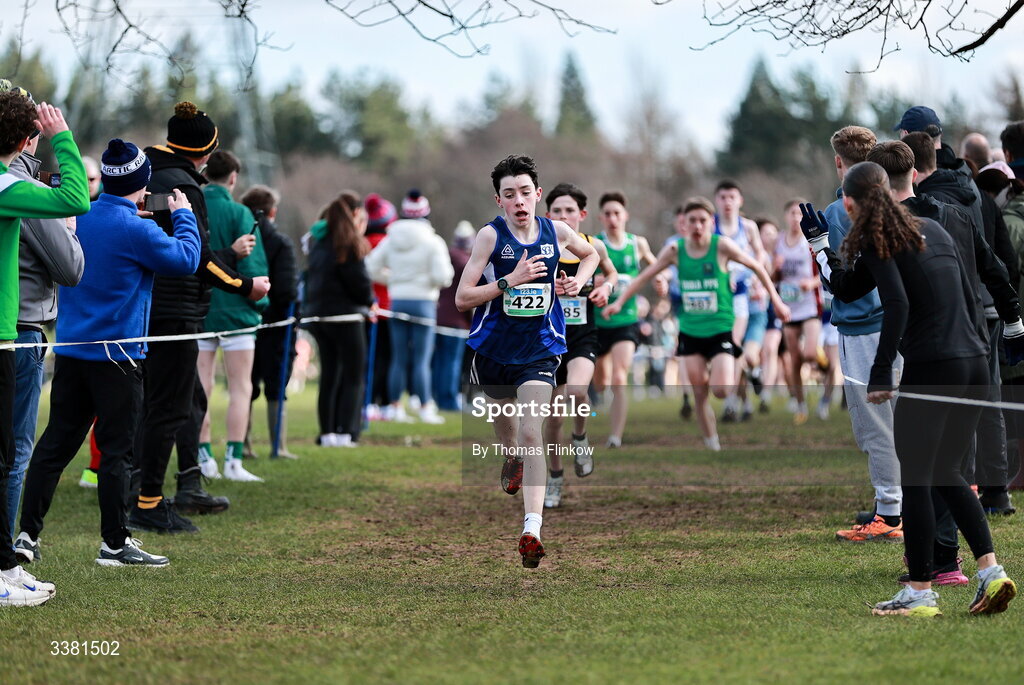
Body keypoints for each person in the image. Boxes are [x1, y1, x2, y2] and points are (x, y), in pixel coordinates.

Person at [806, 161, 1019, 617]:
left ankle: (920, 593)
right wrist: (821, 246)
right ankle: (992, 573)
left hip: (934, 365)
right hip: (974, 363)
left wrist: (882, 370)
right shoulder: (932, 229)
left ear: (849, 203)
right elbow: (848, 285)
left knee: (917, 478)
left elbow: (896, 303)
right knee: (948, 471)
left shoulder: (880, 239)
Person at [18, 139, 199, 569]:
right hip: (118, 358)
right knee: (118, 452)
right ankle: (115, 544)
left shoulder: (81, 214)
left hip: (73, 350)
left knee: (55, 446)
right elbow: (187, 259)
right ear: (142, 182)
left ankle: (26, 535)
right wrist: (184, 216)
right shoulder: (139, 229)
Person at [456, 154, 598, 567]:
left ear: (537, 195)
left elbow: (589, 255)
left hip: (539, 350)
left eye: (524, 192)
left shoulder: (556, 231)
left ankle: (531, 529)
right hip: (493, 352)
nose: (518, 200)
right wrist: (508, 281)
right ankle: (511, 457)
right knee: (512, 437)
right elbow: (463, 298)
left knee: (532, 430)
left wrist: (579, 280)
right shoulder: (489, 237)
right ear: (498, 200)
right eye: (508, 194)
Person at [132, 102, 267, 533]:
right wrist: (246, 286)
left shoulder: (152, 170)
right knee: (167, 407)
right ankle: (147, 501)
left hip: (155, 305)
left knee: (189, 399)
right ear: (205, 151)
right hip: (173, 311)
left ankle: (185, 483)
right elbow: (197, 259)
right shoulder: (184, 188)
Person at [605, 197, 790, 450]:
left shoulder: (722, 246)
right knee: (699, 391)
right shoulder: (675, 250)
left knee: (721, 390)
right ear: (685, 223)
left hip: (720, 328)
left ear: (711, 223)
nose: (697, 226)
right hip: (691, 331)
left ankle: (739, 372)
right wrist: (619, 302)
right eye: (692, 221)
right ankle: (712, 440)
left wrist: (777, 302)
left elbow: (757, 266)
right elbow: (644, 276)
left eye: (703, 220)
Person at [0, 94, 89, 605]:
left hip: (12, 332)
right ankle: (5, 564)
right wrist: (64, 138)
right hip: (13, 334)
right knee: (11, 454)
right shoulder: (11, 185)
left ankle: (7, 562)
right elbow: (75, 200)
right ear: (24, 140)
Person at [903, 130, 1017, 515]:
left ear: (912, 168)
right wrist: (1011, 313)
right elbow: (1003, 262)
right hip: (987, 311)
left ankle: (961, 487)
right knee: (989, 402)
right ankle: (997, 492)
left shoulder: (929, 208)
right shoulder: (978, 198)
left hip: (953, 317)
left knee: (953, 407)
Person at [818, 125, 905, 542]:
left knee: (873, 427)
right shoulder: (896, 207)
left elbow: (835, 281)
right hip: (895, 327)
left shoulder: (838, 213)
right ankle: (893, 504)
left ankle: (889, 515)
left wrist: (817, 249)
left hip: (860, 329)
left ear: (839, 162)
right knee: (895, 423)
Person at [541, 183, 618, 508]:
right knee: (553, 418)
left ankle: (581, 437)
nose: (563, 216)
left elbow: (612, 273)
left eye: (569, 210)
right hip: (548, 339)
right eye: (557, 211)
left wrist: (606, 289)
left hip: (583, 335)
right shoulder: (541, 245)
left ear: (582, 215)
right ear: (548, 215)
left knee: (578, 392)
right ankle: (555, 478)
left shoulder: (593, 245)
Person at [195, 150, 269, 483]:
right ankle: (234, 461)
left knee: (202, 388)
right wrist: (259, 307)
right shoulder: (240, 213)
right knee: (240, 387)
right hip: (238, 314)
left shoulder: (193, 207)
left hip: (199, 313)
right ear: (234, 178)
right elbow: (255, 271)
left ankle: (204, 456)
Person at [366, 189, 454, 424]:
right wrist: (424, 283)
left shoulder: (390, 238)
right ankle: (425, 407)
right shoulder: (433, 241)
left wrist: (394, 280)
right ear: (425, 213)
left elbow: (371, 267)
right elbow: (444, 276)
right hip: (424, 302)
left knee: (398, 357)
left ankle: (395, 407)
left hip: (398, 300)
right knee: (422, 359)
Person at [305, 191, 375, 447]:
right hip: (346, 317)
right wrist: (370, 302)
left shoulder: (315, 241)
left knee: (329, 376)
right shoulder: (348, 242)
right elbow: (359, 282)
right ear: (354, 214)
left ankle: (327, 433)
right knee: (354, 376)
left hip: (319, 316)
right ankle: (347, 432)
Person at [593, 191, 662, 448]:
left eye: (617, 213)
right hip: (599, 322)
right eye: (608, 214)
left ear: (625, 216)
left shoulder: (638, 244)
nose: (613, 218)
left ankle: (615, 436)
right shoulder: (594, 243)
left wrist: (660, 280)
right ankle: (601, 395)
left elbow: (657, 267)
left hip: (627, 319)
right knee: (600, 384)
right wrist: (593, 281)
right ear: (601, 217)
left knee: (620, 376)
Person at [242, 184, 299, 459]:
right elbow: (288, 289)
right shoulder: (281, 242)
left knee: (245, 384)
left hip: (244, 319)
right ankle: (279, 446)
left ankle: (243, 443)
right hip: (277, 323)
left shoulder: (241, 236)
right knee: (276, 384)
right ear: (272, 211)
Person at [712, 181, 769, 422]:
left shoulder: (747, 227)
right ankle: (746, 385)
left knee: (734, 346)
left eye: (732, 197)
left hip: (743, 296)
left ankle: (731, 401)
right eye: (723, 197)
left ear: (740, 201)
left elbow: (761, 254)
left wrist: (755, 277)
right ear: (716, 200)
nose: (727, 201)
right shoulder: (710, 227)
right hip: (719, 296)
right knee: (731, 351)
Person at [775, 199, 823, 425]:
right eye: (792, 213)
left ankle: (823, 363)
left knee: (810, 354)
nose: (796, 218)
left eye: (799, 214)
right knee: (794, 360)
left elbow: (825, 271)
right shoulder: (778, 242)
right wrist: (775, 268)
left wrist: (811, 284)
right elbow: (771, 277)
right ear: (786, 216)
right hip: (788, 308)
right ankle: (801, 404)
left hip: (810, 305)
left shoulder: (810, 240)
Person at [432, 220, 475, 411]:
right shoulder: (467, 263)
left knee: (439, 361)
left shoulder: (445, 256)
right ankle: (448, 401)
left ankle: (437, 397)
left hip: (438, 317)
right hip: (456, 321)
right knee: (452, 363)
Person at [363, 193, 396, 419]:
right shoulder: (387, 244)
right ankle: (381, 402)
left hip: (366, 307)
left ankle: (370, 401)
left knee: (370, 358)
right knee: (385, 358)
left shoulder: (361, 242)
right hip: (386, 308)